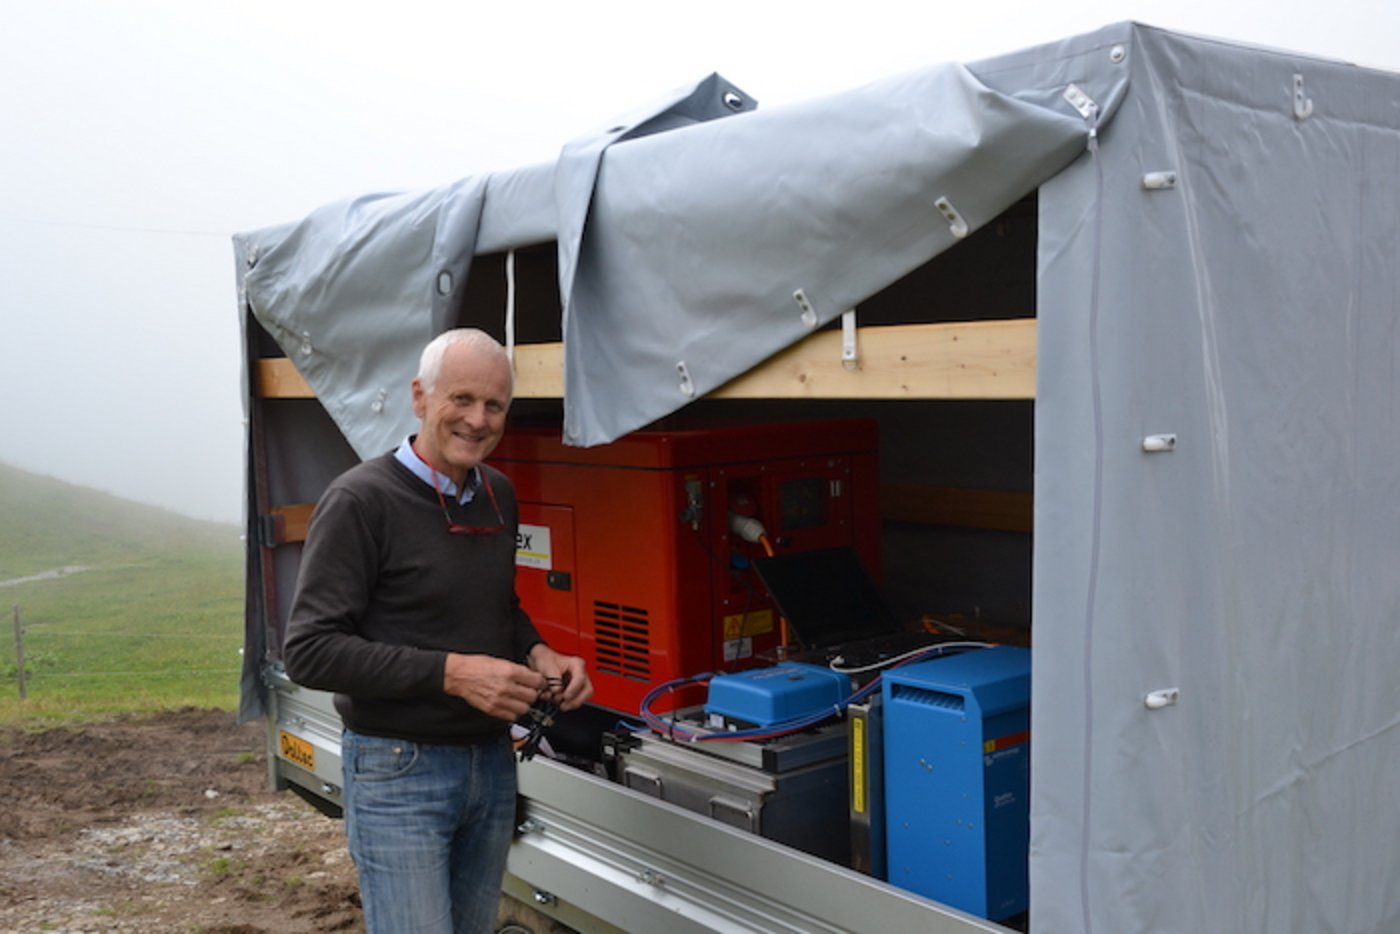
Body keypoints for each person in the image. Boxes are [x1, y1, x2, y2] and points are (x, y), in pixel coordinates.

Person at [283, 327, 593, 933]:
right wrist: (452, 673)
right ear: (420, 397)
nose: (478, 420)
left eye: (494, 405)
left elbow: (494, 606)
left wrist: (538, 650)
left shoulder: (497, 493)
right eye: (461, 399)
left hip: (491, 763)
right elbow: (310, 651)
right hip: (399, 768)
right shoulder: (359, 501)